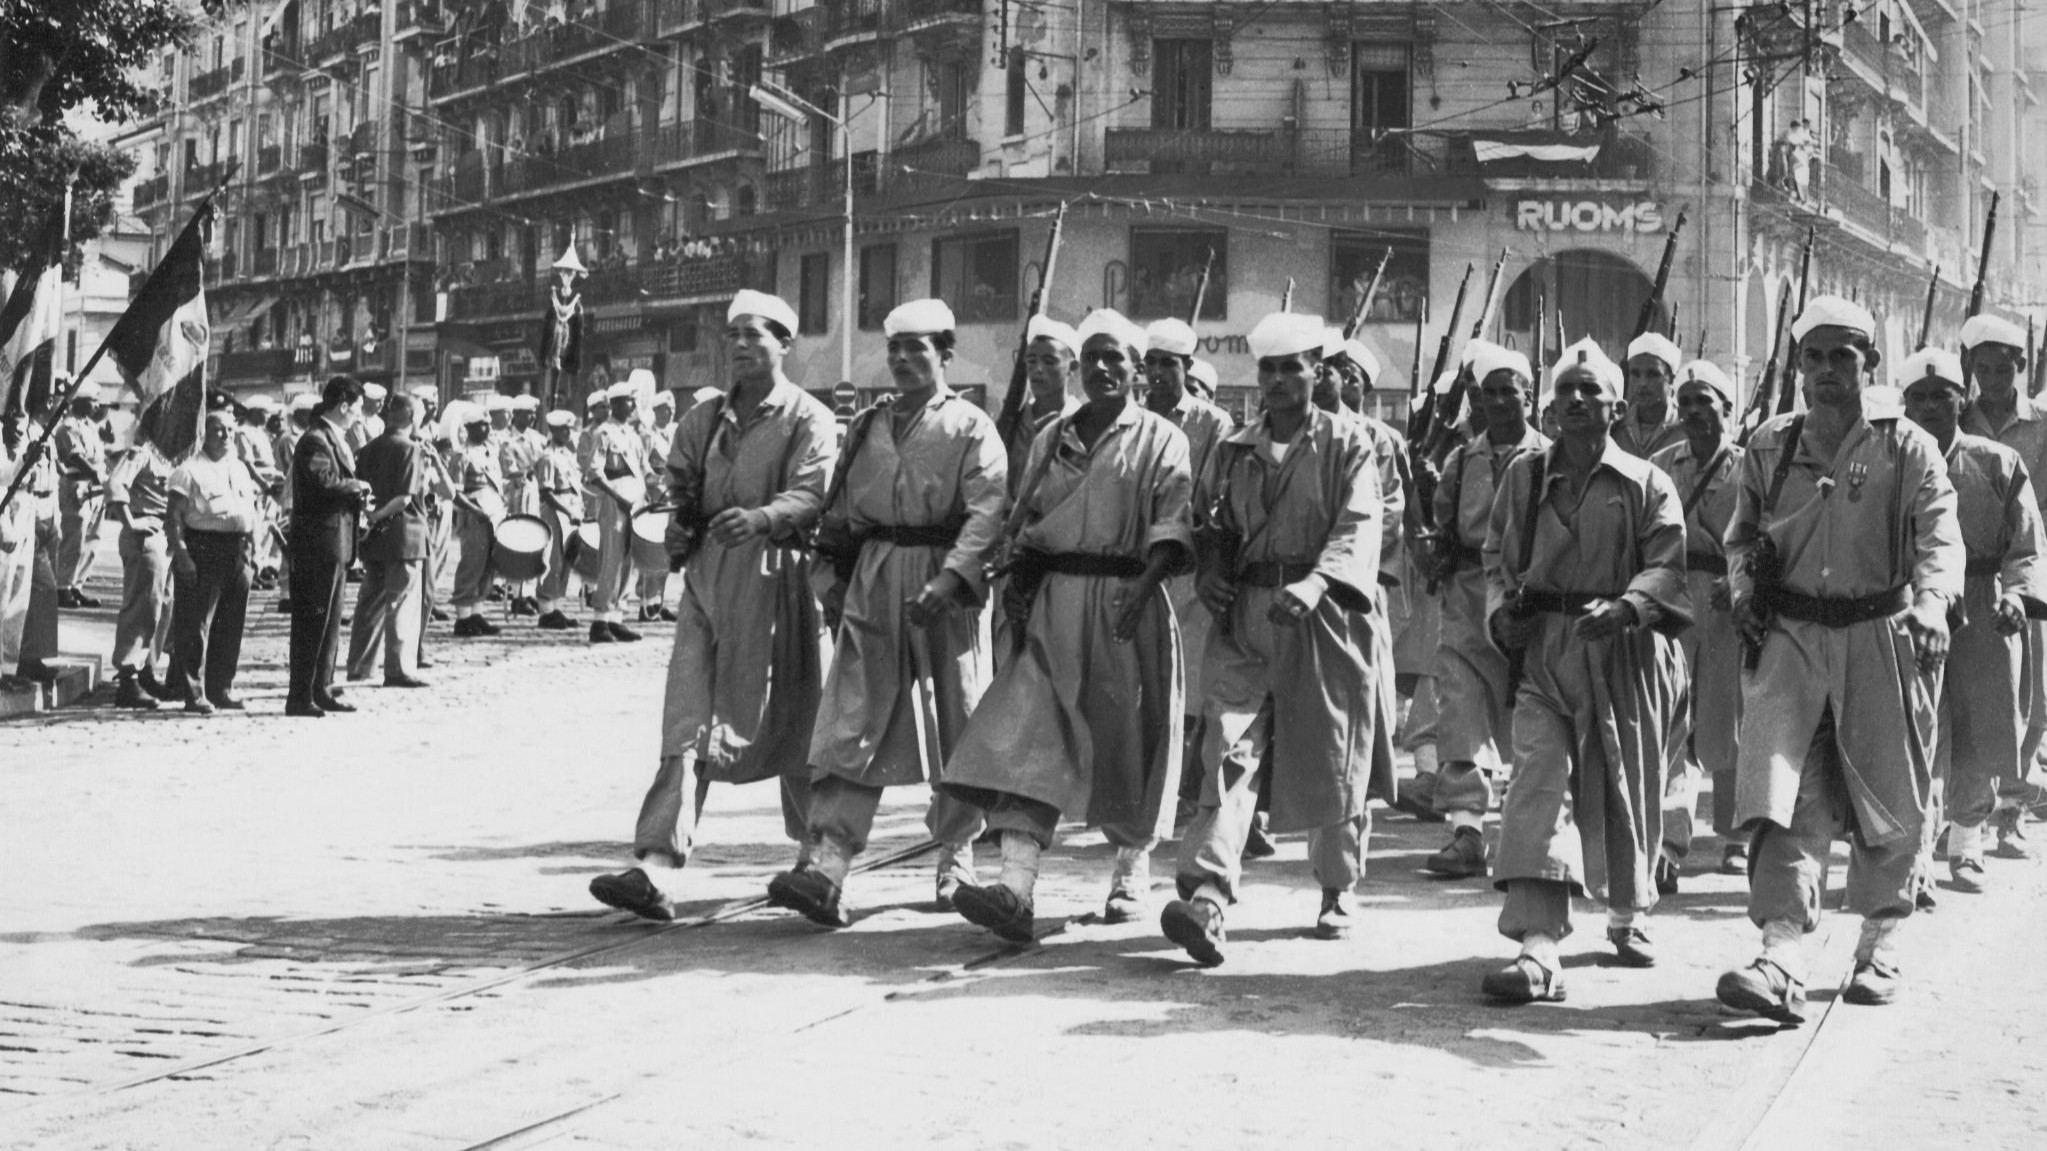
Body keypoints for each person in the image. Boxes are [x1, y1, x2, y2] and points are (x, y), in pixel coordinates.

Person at [1715, 296, 1962, 1021]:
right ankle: (1780, 950)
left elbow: (1938, 534)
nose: (1826, 371)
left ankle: (1878, 943)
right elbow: (1739, 535)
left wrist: (1930, 603)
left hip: (1878, 637)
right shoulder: (1768, 444)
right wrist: (1740, 592)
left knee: (1889, 795)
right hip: (1789, 641)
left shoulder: (1904, 445)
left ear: (1868, 363)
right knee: (1783, 795)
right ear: (1796, 366)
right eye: (1813, 357)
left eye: (1842, 356)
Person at [939, 307, 1194, 941]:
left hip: (1124, 605)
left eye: (1118, 358)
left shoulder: (1164, 439)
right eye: (1094, 358)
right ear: (1079, 368)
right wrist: (1020, 581)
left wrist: (1142, 589)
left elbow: (1172, 523)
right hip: (1054, 606)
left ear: (1136, 371)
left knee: (1129, 744)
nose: (1105, 368)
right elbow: (1025, 521)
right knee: (1031, 737)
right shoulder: (1053, 435)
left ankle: (1131, 870)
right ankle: (1016, 888)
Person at [587, 290, 837, 921]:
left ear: (785, 344)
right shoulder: (703, 421)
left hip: (782, 585)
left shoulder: (809, 417)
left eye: (757, 336)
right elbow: (680, 487)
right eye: (735, 337)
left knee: (798, 724)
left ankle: (820, 867)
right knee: (686, 719)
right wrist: (678, 528)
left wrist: (763, 517)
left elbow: (812, 494)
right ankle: (655, 867)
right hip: (706, 586)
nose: (743, 347)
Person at [765, 299, 1007, 926]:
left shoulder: (972, 426)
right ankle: (829, 866)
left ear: (945, 354)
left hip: (941, 586)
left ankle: (956, 853)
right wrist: (832, 586)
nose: (901, 359)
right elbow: (839, 516)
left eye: (917, 348)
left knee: (960, 718)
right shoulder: (868, 426)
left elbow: (987, 512)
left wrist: (955, 576)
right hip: (873, 582)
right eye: (894, 348)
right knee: (851, 720)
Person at [1160, 311, 1387, 964]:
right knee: (1226, 750)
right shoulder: (1232, 448)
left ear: (1317, 371)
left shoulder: (1349, 443)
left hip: (1324, 617)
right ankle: (1207, 895)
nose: (1281, 379)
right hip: (1245, 617)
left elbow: (1357, 524)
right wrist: (1206, 569)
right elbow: (1200, 518)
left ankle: (1337, 886)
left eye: (1294, 366)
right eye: (1270, 368)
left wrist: (1317, 584)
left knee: (1331, 753)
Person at [1479, 339, 1692, 1002]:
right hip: (1546, 649)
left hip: (1623, 652)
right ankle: (1538, 945)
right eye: (1564, 391)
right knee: (1538, 782)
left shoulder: (1646, 483)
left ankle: (1627, 913)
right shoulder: (1525, 476)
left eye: (1589, 392)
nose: (1575, 401)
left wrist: (1628, 605)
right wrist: (1499, 615)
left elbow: (1666, 561)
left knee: (1624, 783)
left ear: (1616, 407)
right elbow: (1496, 559)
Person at [1896, 349, 2046, 895]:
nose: (1932, 406)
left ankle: (1966, 844)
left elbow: (2027, 544)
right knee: (1919, 727)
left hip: (1985, 608)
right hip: (1916, 607)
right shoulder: (1894, 460)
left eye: (1943, 396)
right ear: (1905, 402)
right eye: (1920, 397)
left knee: (1981, 723)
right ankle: (1915, 852)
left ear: (1963, 401)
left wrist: (2017, 595)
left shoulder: (1997, 461)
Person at [1421, 342, 1549, 877]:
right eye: (1489, 393)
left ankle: (1532, 835)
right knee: (1460, 710)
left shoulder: (1549, 456)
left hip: (1527, 599)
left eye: (1509, 392)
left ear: (1528, 396)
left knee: (1530, 717)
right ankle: (1466, 826)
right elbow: (1443, 528)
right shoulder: (1460, 459)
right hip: (1468, 598)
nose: (1498, 403)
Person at [1649, 360, 1748, 876]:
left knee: (1729, 720)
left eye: (1703, 402)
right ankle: (1670, 839)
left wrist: (1739, 583)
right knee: (1671, 718)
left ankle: (1736, 835)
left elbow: (1768, 534)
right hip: (1676, 602)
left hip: (1730, 605)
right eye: (1684, 402)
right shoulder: (1663, 464)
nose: (1692, 412)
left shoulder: (1751, 466)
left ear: (1727, 409)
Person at [1956, 312, 2047, 860]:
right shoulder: (1952, 416)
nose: (1992, 379)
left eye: (2003, 368)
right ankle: (1963, 814)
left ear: (2020, 367)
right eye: (1982, 368)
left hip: (2026, 567)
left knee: (2029, 694)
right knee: (1969, 700)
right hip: (1960, 573)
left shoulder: (2042, 424)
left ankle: (2010, 809)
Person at [1142, 317, 1237, 829]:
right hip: (1142, 567)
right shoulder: (1132, 419)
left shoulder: (1213, 423)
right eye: (1152, 363)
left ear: (1187, 367)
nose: (1158, 373)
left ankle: (1187, 789)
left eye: (1169, 364)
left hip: (1191, 568)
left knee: (1194, 687)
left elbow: (1214, 498)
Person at [165, 409, 265, 715]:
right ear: (204, 433)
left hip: (238, 550)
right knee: (195, 625)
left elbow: (252, 512)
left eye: (231, 430)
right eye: (219, 430)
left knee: (230, 624)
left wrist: (256, 551)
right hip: (202, 548)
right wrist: (181, 554)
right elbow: (174, 517)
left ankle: (222, 688)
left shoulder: (240, 469)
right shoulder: (189, 470)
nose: (226, 436)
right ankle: (192, 691)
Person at [287, 375, 374, 718]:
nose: (358, 416)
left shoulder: (331, 436)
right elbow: (323, 481)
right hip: (318, 543)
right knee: (313, 620)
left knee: (330, 621)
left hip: (334, 542)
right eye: (357, 409)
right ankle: (301, 695)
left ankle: (320, 688)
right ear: (343, 406)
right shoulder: (315, 439)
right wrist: (356, 486)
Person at [345, 393, 430, 687]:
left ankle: (359, 665)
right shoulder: (411, 449)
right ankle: (398, 668)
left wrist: (370, 518)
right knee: (402, 602)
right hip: (405, 535)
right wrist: (380, 514)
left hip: (375, 538)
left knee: (369, 601)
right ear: (411, 416)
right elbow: (405, 498)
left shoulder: (369, 449)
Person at [104, 439, 178, 708]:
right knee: (142, 606)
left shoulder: (173, 457)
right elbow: (114, 484)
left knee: (163, 606)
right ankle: (128, 678)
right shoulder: (142, 452)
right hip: (145, 532)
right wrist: (130, 522)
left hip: (167, 532)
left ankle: (146, 670)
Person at [578, 380, 647, 643]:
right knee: (612, 559)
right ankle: (600, 620)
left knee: (631, 560)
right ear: (616, 404)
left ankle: (617, 617)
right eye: (627, 401)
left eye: (632, 401)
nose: (631, 405)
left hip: (634, 503)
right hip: (613, 503)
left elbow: (642, 471)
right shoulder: (603, 433)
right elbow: (594, 473)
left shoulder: (633, 435)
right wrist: (618, 498)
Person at [449, 402, 506, 637]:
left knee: (488, 567)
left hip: (493, 512)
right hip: (474, 515)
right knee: (472, 565)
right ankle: (463, 618)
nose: (486, 430)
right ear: (469, 428)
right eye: (480, 426)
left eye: (487, 425)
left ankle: (476, 613)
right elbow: (456, 493)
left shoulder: (489, 451)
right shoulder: (462, 455)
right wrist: (476, 511)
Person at [1006, 314, 1083, 486]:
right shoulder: (1015, 422)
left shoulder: (1081, 422)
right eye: (1031, 361)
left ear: (1073, 367)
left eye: (1050, 362)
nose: (1038, 369)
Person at [53, 392, 108, 608]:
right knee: (73, 538)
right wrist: (97, 475)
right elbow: (76, 457)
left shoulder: (90, 426)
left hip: (96, 487)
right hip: (78, 485)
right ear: (79, 401)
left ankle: (77, 584)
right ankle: (63, 586)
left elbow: (99, 457)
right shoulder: (68, 427)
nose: (97, 405)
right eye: (93, 400)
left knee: (92, 540)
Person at [530, 409, 583, 629]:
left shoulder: (567, 455)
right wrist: (568, 511)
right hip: (555, 511)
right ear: (552, 430)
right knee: (552, 560)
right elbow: (546, 492)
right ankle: (546, 610)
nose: (567, 433)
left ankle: (556, 606)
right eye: (563, 429)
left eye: (569, 429)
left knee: (566, 559)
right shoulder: (547, 457)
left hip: (570, 510)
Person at [500, 394, 544, 617]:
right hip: (518, 496)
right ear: (516, 415)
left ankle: (529, 593)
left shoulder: (537, 438)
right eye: (527, 413)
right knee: (519, 546)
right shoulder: (507, 441)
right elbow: (508, 469)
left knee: (536, 543)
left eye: (533, 413)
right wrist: (526, 472)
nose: (532, 417)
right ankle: (517, 595)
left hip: (535, 495)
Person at [635, 384, 676, 623]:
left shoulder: (671, 434)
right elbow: (643, 469)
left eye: (671, 409)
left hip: (672, 500)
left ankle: (658, 601)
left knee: (666, 553)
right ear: (656, 411)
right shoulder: (647, 437)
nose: (669, 414)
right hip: (655, 498)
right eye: (665, 410)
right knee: (652, 552)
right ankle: (646, 603)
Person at [1613, 332, 1686, 460]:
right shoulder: (1616, 427)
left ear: (1671, 379)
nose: (1642, 383)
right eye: (1635, 374)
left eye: (1653, 374)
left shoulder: (1685, 427)